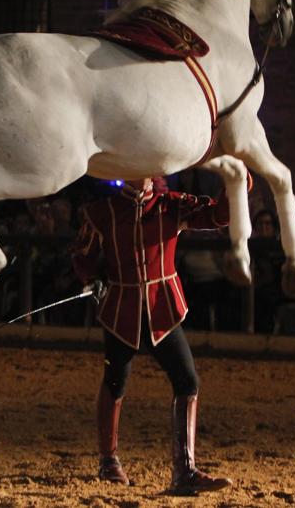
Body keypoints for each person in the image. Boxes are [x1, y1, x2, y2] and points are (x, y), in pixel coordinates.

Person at [71, 177, 233, 495]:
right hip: (121, 309)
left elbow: (218, 217)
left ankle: (184, 469)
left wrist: (234, 182)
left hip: (163, 309)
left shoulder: (171, 203)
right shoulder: (101, 211)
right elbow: (82, 255)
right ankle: (108, 461)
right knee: (115, 380)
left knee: (187, 380)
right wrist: (93, 278)